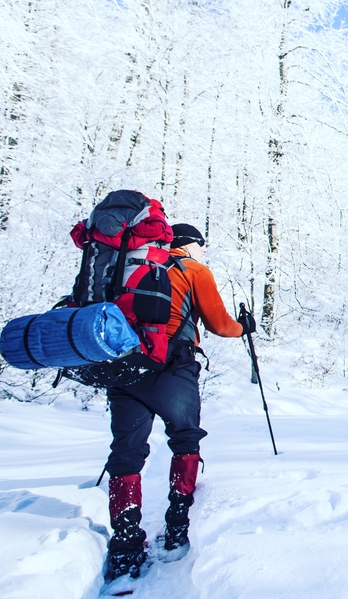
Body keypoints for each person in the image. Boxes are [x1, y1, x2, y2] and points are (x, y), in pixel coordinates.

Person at [105, 223, 257, 580]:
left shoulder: (127, 265)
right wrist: (244, 327)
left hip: (123, 368)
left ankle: (125, 543)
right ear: (189, 244)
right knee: (185, 438)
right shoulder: (194, 270)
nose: (204, 252)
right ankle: (177, 524)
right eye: (202, 245)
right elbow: (220, 324)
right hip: (173, 365)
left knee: (126, 452)